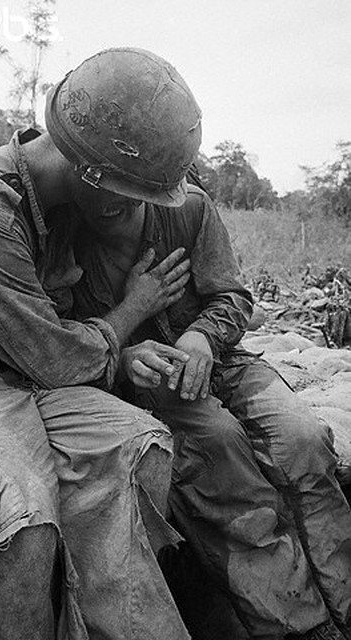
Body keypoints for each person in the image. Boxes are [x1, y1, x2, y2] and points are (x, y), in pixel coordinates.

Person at [0, 47, 203, 639]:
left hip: (15, 373)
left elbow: (55, 339)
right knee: (23, 525)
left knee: (139, 444)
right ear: (98, 181)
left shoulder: (57, 198)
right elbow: (55, 359)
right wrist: (135, 308)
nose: (133, 212)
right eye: (134, 196)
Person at [67, 171, 351, 637]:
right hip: (151, 384)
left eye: (126, 189)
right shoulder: (63, 237)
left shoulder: (190, 210)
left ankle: (345, 601)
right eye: (95, 186)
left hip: (226, 362)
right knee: (218, 454)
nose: (109, 201)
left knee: (304, 439)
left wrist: (202, 334)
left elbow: (233, 297)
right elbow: (62, 344)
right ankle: (300, 624)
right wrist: (123, 356)